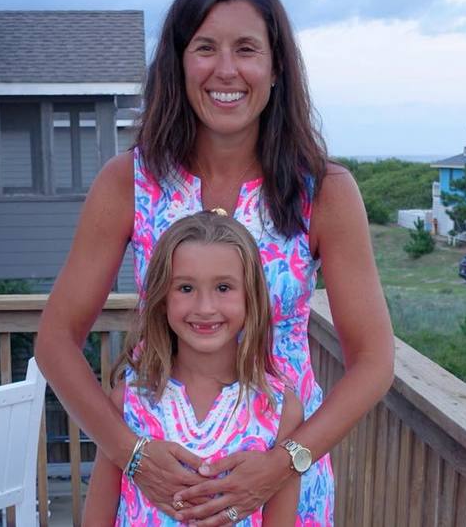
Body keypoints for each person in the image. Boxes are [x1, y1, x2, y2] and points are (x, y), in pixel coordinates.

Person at [36, 0, 395, 526]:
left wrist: (282, 463)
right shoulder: (128, 182)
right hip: (155, 489)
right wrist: (132, 454)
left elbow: (373, 362)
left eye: (246, 49)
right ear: (179, 64)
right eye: (205, 48)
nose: (226, 69)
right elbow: (55, 340)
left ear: (276, 67)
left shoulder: (323, 192)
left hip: (285, 482)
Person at [82, 211, 303, 526]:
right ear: (162, 299)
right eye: (185, 288)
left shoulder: (280, 410)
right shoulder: (128, 401)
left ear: (250, 297)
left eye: (223, 288)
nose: (205, 307)